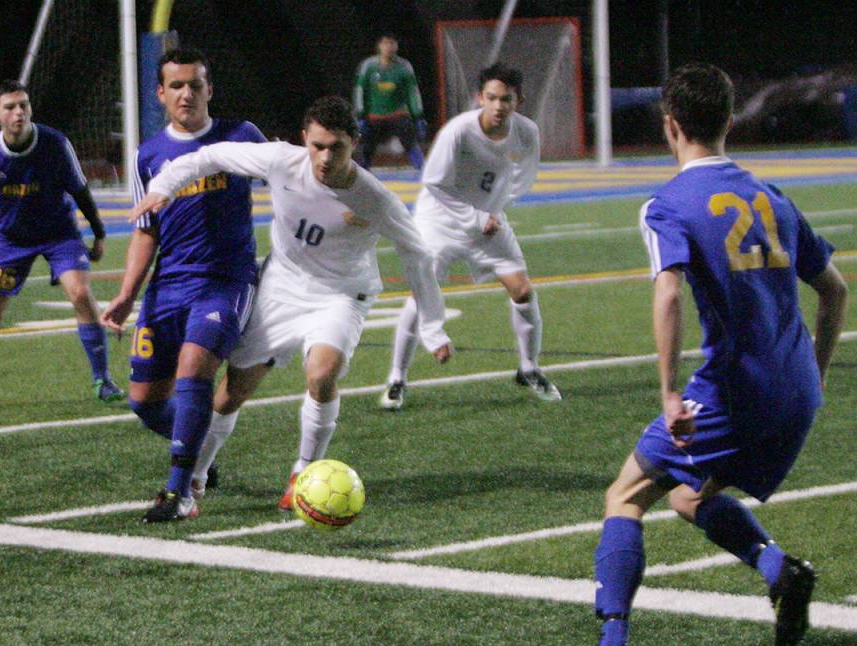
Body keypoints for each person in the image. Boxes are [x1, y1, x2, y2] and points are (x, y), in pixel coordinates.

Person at [559, 63, 848, 646]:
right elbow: (835, 290)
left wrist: (668, 393)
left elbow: (668, 294)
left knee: (625, 495)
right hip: (796, 388)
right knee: (691, 497)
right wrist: (816, 376)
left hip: (734, 390)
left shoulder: (669, 204)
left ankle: (612, 645)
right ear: (729, 120)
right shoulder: (773, 197)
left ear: (670, 126)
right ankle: (779, 570)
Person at [128, 96, 453, 511]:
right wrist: (162, 188)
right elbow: (210, 156)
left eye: (336, 147)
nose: (325, 157)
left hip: (340, 294)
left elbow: (417, 253)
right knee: (230, 394)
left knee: (321, 374)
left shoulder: (374, 199)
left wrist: (432, 326)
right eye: (317, 146)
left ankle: (303, 474)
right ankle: (193, 482)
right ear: (304, 140)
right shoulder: (281, 160)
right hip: (281, 285)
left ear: (354, 143)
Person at [100, 48, 266, 523]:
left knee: (195, 372)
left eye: (195, 84)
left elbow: (287, 177)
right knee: (145, 403)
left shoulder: (241, 137)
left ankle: (179, 492)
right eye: (176, 86)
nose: (187, 93)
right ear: (160, 95)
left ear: (209, 89)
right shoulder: (148, 156)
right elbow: (146, 229)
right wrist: (128, 292)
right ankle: (199, 450)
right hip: (168, 285)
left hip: (225, 282)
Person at [379, 63, 559, 410]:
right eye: (491, 97)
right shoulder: (458, 131)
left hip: (487, 223)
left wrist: (497, 207)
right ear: (480, 97)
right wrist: (474, 214)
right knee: (422, 295)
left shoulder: (526, 132)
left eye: (505, 99)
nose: (497, 106)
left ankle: (529, 368)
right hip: (439, 220)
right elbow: (434, 184)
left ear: (518, 101)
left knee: (522, 289)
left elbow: (524, 175)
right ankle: (397, 378)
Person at [0, 79, 122, 412]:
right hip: (10, 239)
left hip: (59, 234)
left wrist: (98, 233)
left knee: (80, 294)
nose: (19, 112)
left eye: (24, 105)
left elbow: (80, 189)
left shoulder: (55, 143)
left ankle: (103, 380)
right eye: (10, 107)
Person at [353, 33, 427, 170]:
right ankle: (362, 173)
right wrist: (360, 115)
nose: (389, 47)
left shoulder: (404, 66)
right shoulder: (368, 66)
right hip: (374, 116)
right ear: (379, 46)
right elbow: (360, 90)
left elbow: (412, 92)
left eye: (392, 43)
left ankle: (424, 172)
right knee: (367, 147)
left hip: (398, 114)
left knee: (410, 143)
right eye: (385, 43)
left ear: (396, 46)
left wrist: (418, 116)